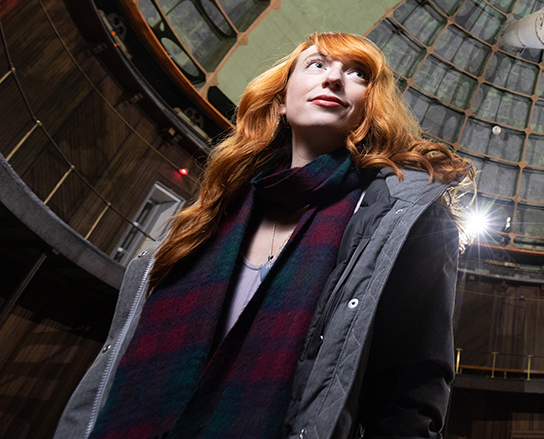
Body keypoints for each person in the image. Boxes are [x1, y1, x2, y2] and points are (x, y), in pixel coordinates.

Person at [54, 32, 473, 439]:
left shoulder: (407, 221)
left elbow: (413, 389)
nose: (333, 79)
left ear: (372, 108)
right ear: (279, 100)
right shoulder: (213, 211)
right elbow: (115, 360)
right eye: (317, 64)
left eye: (358, 74)